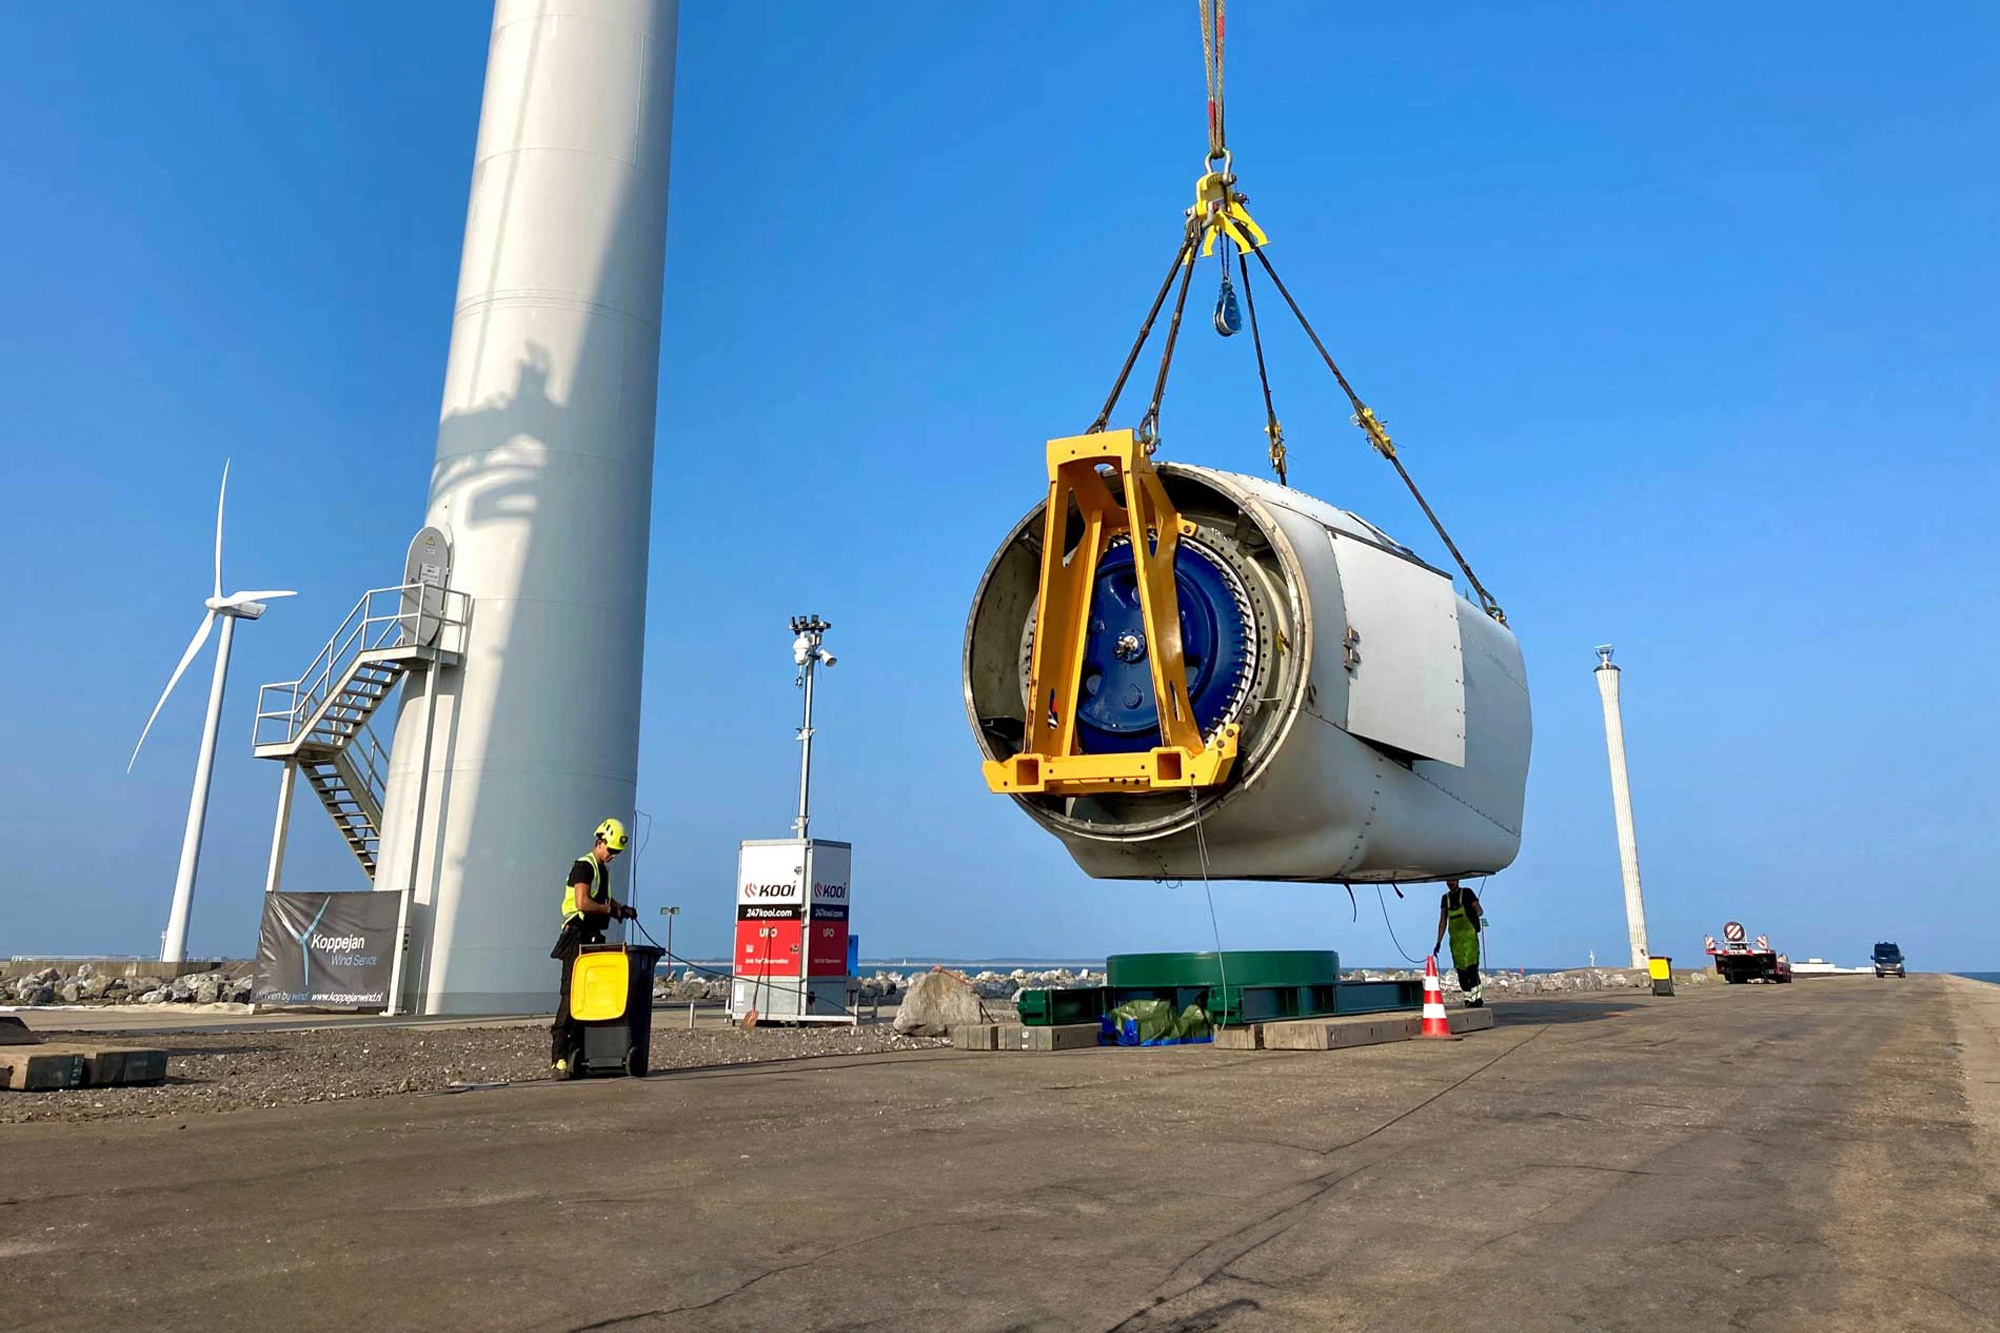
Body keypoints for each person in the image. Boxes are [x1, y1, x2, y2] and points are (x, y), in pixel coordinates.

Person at [550, 817, 637, 1071]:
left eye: (617, 853)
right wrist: (609, 909)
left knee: (589, 995)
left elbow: (603, 899)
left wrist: (621, 909)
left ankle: (579, 1051)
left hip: (592, 937)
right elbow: (582, 903)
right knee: (571, 995)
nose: (613, 856)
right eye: (611, 850)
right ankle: (559, 1058)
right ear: (599, 842)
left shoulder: (602, 871)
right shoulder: (584, 867)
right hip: (576, 936)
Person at [1431, 877, 1486, 1008]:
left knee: (1472, 969)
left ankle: (1477, 999)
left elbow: (1479, 910)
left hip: (1469, 938)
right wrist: (1438, 942)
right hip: (1456, 941)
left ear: (1458, 881)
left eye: (1453, 881)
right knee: (1461, 972)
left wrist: (1477, 912)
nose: (1450, 883)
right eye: (1448, 881)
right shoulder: (1445, 899)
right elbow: (1443, 921)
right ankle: (1468, 998)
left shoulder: (1467, 893)